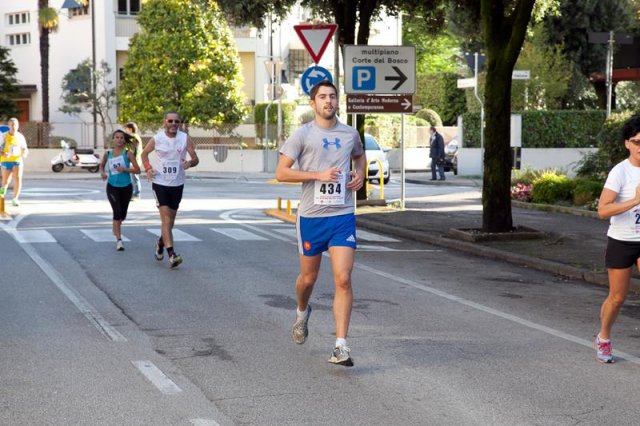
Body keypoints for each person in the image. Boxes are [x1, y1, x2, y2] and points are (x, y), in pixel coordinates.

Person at [275, 80, 366, 367]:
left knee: (343, 278)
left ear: (337, 101)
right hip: (312, 218)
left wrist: (360, 174)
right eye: (322, 97)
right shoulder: (302, 135)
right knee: (308, 279)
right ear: (313, 104)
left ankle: (341, 345)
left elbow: (359, 157)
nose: (328, 101)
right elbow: (281, 173)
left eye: (332, 96)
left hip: (342, 216)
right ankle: (302, 311)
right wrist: (317, 175)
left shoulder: (350, 133)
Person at [596, 115, 640, 363]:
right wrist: (634, 200)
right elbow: (603, 210)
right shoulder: (620, 172)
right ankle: (603, 337)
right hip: (622, 241)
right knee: (617, 298)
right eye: (636, 142)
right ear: (627, 144)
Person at [141, 112, 199, 268]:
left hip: (177, 184)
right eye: (170, 121)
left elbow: (195, 158)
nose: (174, 123)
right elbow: (144, 153)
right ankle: (172, 255)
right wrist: (147, 168)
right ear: (164, 122)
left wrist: (190, 163)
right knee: (166, 220)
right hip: (160, 183)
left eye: (177, 121)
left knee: (170, 222)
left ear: (180, 123)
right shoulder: (157, 138)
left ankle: (160, 243)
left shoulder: (184, 138)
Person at [99, 129, 140, 251]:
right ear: (113, 140)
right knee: (116, 212)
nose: (119, 139)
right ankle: (119, 240)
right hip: (112, 187)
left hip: (126, 187)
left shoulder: (128, 154)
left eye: (121, 138)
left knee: (122, 215)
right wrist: (102, 173)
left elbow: (138, 170)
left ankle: (116, 225)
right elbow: (101, 166)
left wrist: (126, 169)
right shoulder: (108, 153)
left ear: (124, 140)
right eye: (116, 137)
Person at [0, 117, 29, 206]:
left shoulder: (20, 136)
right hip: (6, 161)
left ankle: (15, 199)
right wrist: (4, 154)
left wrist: (24, 153)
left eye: (15, 125)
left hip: (17, 160)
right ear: (8, 126)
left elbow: (25, 149)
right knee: (5, 182)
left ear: (18, 126)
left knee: (18, 179)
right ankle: (1, 198)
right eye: (11, 125)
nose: (13, 127)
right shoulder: (3, 136)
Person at [124, 121, 143, 201]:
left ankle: (136, 194)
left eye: (126, 129)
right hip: (135, 160)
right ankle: (133, 194)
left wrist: (132, 161)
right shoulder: (135, 137)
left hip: (135, 161)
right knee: (133, 178)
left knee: (135, 178)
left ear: (130, 129)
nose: (125, 130)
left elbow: (134, 150)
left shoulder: (134, 137)